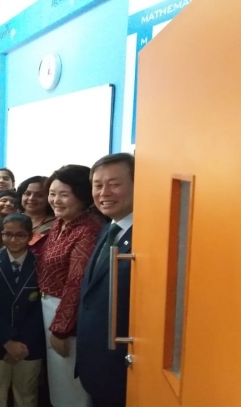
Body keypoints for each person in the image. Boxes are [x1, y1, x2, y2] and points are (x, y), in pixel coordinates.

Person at [37, 165, 104, 406]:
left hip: (67, 314)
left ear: (82, 196)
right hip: (48, 307)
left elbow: (76, 283)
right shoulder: (61, 223)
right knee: (57, 380)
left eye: (64, 195)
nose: (55, 200)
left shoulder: (88, 230)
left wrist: (61, 329)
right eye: (52, 194)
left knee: (69, 384)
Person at [76, 153, 135, 407]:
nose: (104, 193)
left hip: (124, 367)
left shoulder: (148, 235)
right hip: (97, 363)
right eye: (98, 185)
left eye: (114, 184)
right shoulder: (109, 229)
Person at [0, 213, 45, 407]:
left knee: (27, 395)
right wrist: (7, 341)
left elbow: (42, 307)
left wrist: (21, 343)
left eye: (20, 235)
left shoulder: (41, 265)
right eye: (8, 234)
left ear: (30, 236)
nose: (13, 240)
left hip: (29, 344)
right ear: (1, 234)